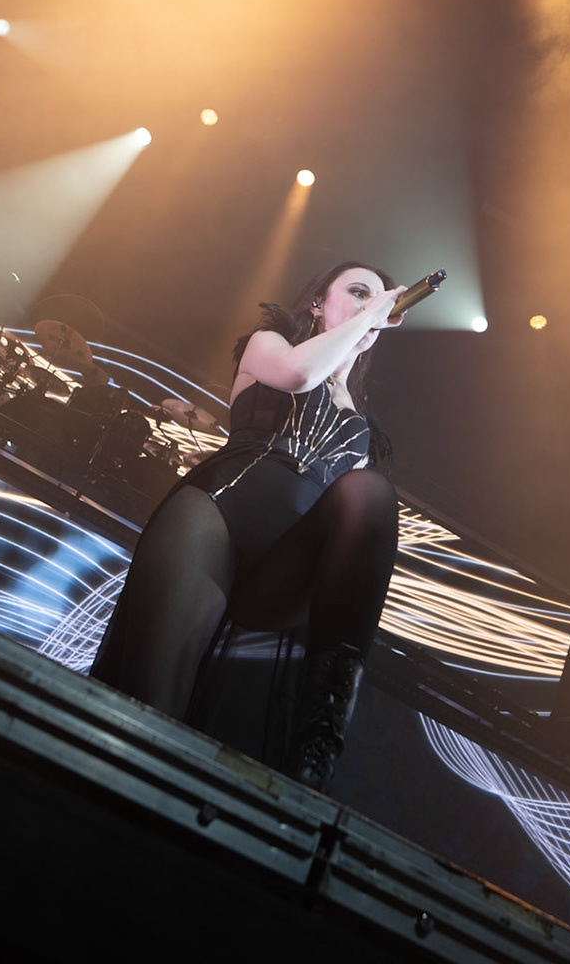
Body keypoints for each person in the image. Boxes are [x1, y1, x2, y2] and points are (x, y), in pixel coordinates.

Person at [90, 262, 405, 789]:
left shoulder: (363, 429)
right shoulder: (270, 345)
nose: (371, 305)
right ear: (316, 304)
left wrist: (362, 320)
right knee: (153, 713)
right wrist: (366, 318)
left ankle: (320, 734)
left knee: (371, 493)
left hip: (283, 563)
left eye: (378, 300)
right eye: (357, 292)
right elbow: (301, 375)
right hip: (216, 515)